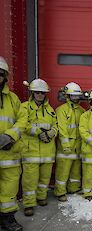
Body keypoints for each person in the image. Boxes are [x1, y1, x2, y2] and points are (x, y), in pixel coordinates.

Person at [21, 79, 58, 216]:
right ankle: (29, 204)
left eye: (42, 93)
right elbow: (23, 125)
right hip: (31, 151)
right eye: (37, 92)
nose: (40, 95)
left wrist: (52, 132)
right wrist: (40, 133)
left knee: (44, 178)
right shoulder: (24, 107)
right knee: (30, 180)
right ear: (32, 93)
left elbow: (56, 125)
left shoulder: (50, 110)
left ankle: (41, 197)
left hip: (48, 150)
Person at [0, 57, 27, 231]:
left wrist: (9, 136)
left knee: (10, 187)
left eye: (0, 74)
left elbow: (22, 119)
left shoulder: (13, 99)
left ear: (5, 77)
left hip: (9, 152)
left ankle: (8, 217)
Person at [54, 82, 85, 201]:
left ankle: (74, 188)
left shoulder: (81, 110)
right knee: (63, 171)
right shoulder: (61, 110)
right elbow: (62, 129)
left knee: (75, 171)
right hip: (65, 147)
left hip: (78, 146)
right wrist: (66, 145)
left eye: (77, 96)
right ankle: (60, 192)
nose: (76, 98)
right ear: (68, 96)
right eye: (73, 96)